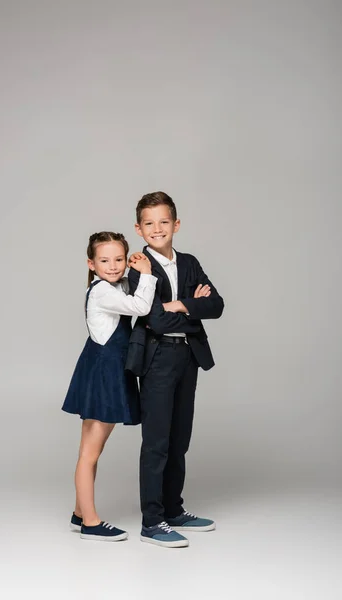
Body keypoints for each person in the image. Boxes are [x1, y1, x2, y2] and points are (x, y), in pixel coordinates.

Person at [126, 192, 224, 548]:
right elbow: (153, 318)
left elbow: (215, 304)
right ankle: (152, 521)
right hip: (157, 359)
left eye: (164, 222)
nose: (157, 229)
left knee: (180, 437)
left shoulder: (190, 262)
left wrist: (180, 304)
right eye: (149, 223)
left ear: (176, 225)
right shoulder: (139, 265)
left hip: (187, 357)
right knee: (157, 442)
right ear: (139, 228)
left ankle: (173, 509)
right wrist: (190, 310)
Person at [62, 231, 157, 542]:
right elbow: (141, 306)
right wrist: (146, 274)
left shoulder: (112, 286)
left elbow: (127, 291)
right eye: (105, 260)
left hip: (102, 368)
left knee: (90, 449)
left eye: (119, 259)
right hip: (105, 372)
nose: (113, 266)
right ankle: (90, 522)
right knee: (90, 452)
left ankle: (80, 512)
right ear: (91, 263)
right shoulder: (104, 292)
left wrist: (135, 268)